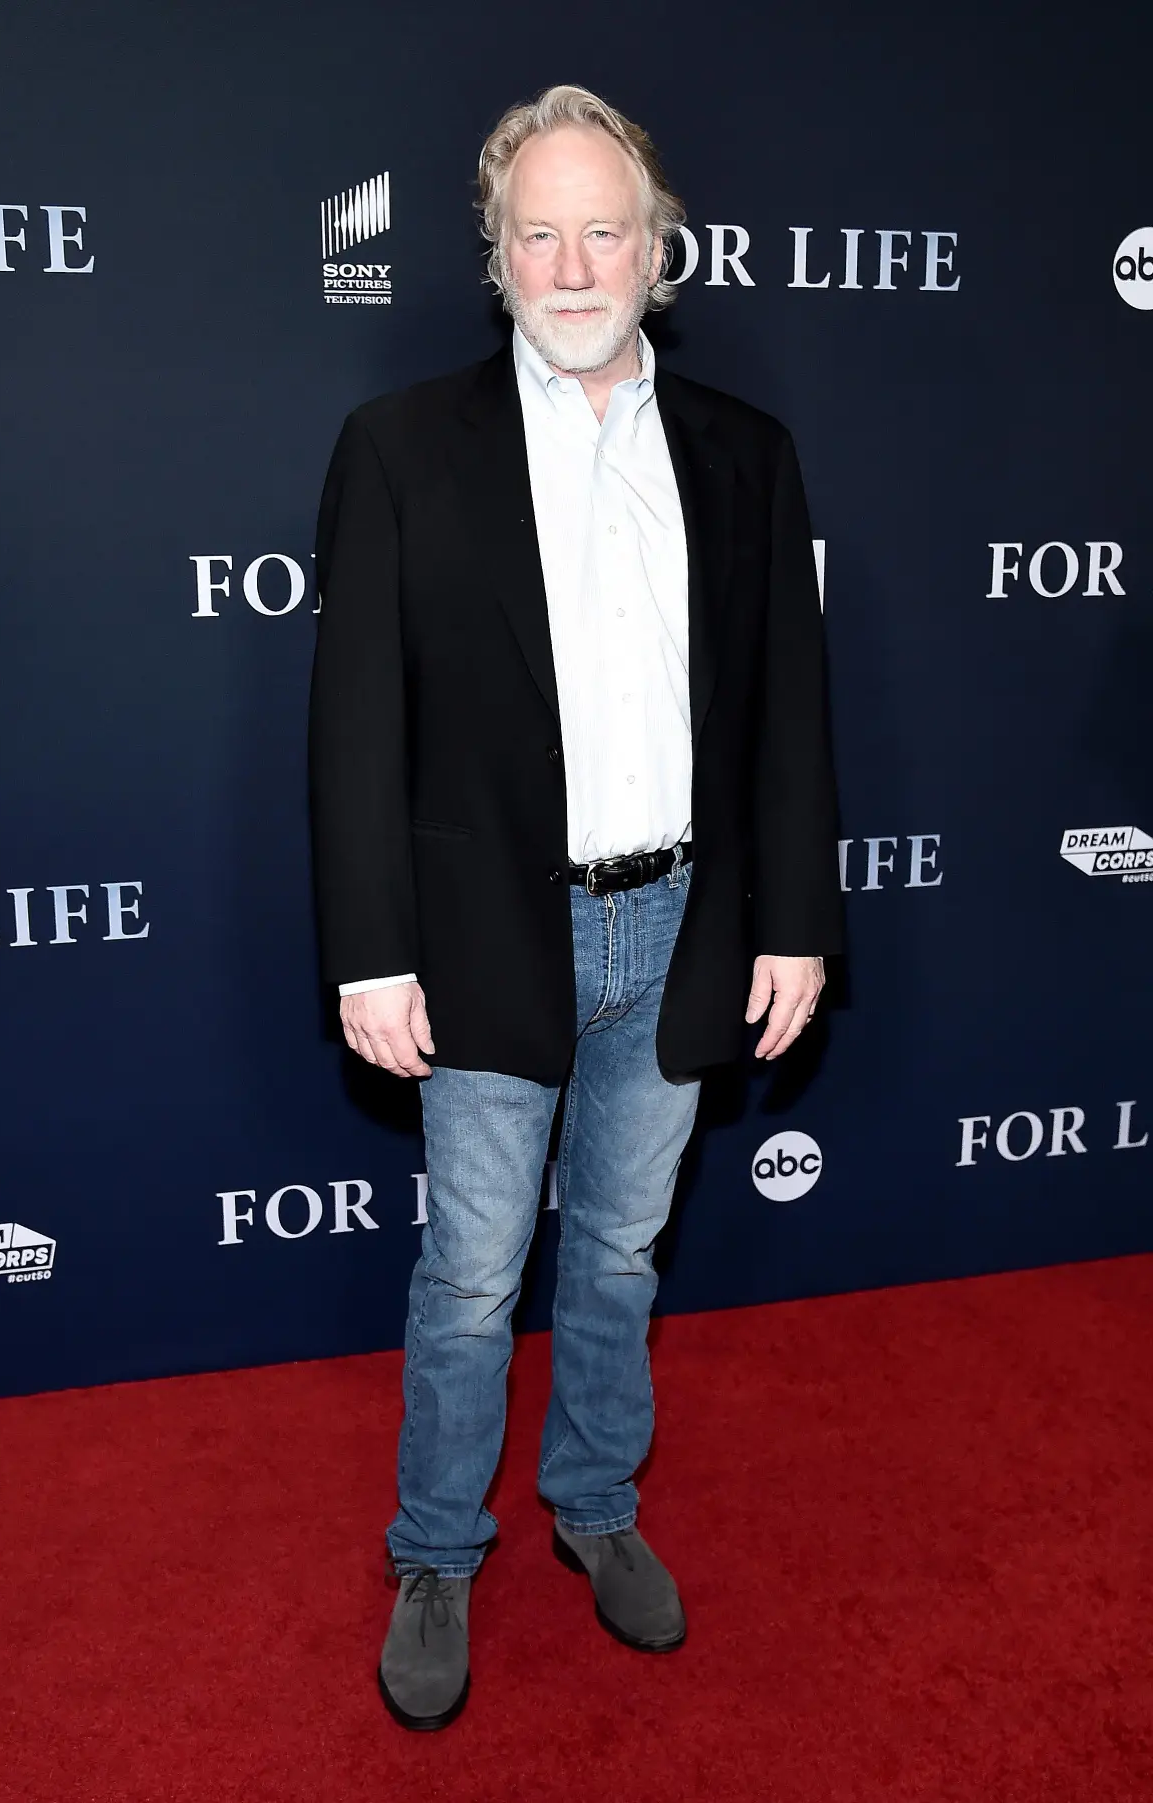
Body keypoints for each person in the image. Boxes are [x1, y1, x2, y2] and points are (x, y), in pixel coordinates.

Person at [308, 83, 843, 1731]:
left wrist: (797, 919)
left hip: (681, 925)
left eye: (604, 229)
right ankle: (435, 1549)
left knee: (617, 1250)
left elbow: (788, 713)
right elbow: (355, 726)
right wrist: (372, 951)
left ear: (657, 247)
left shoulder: (746, 454)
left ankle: (597, 1503)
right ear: (496, 254)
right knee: (473, 1272)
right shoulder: (402, 447)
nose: (572, 263)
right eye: (536, 232)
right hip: (486, 935)